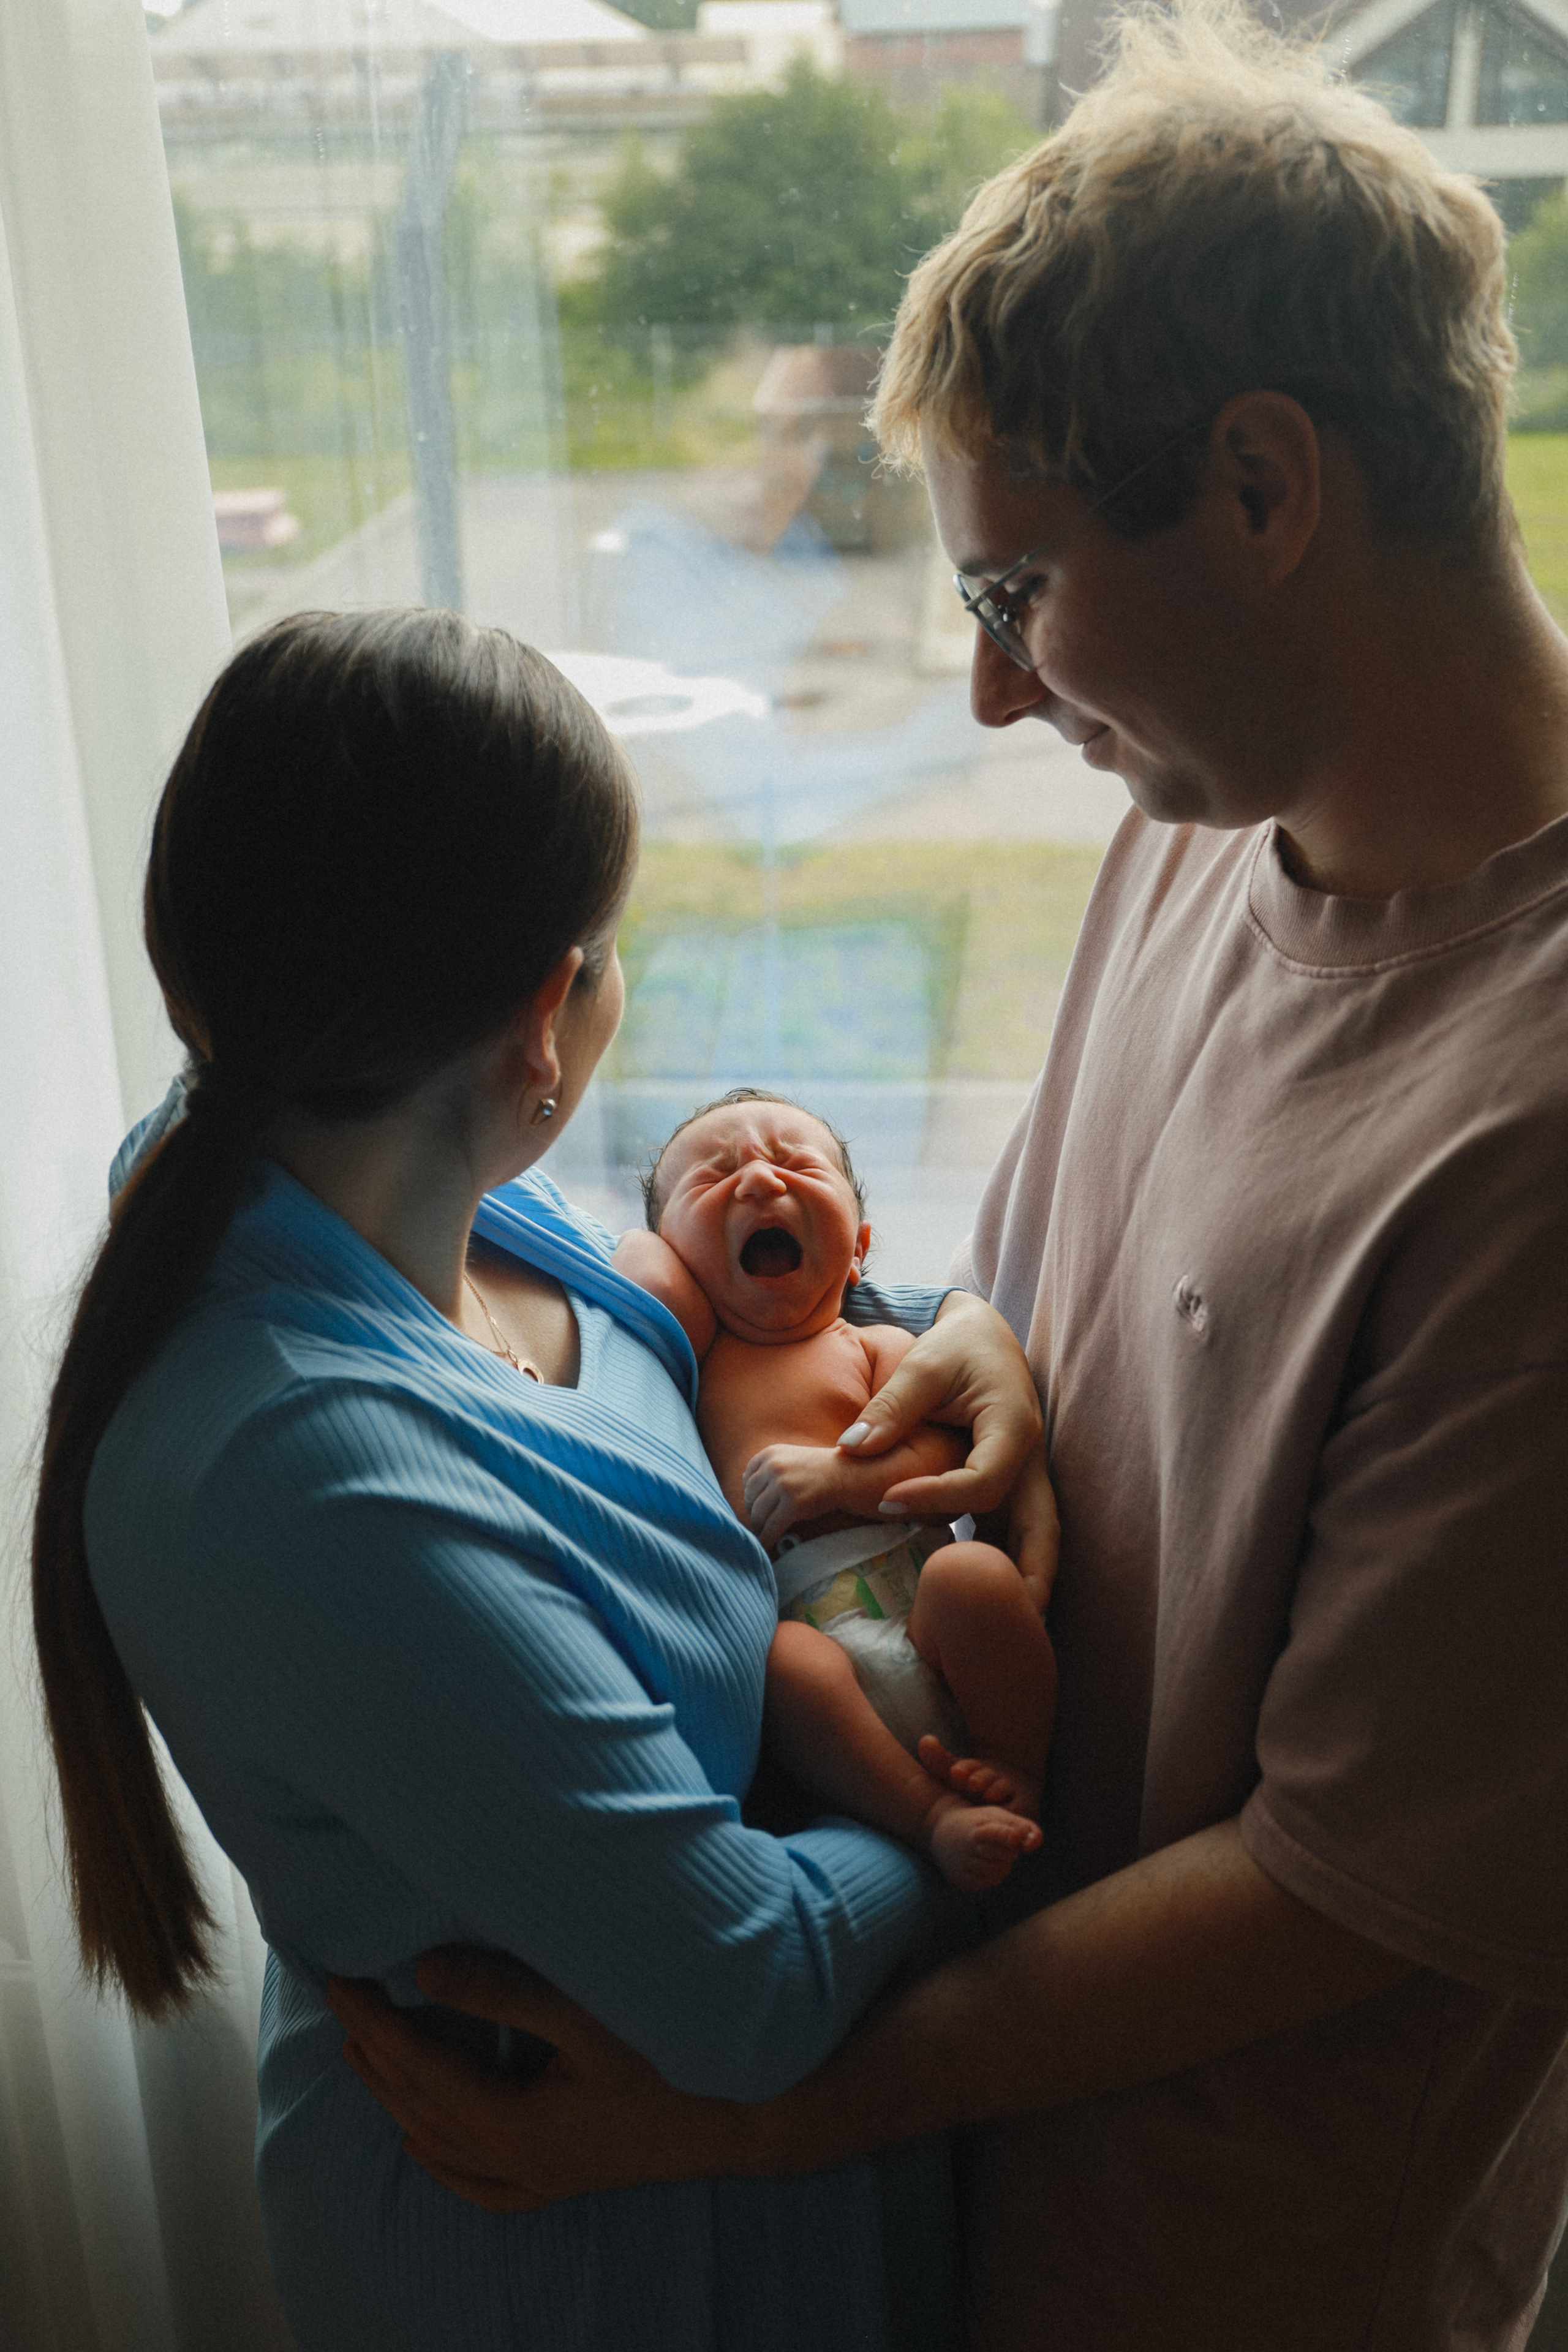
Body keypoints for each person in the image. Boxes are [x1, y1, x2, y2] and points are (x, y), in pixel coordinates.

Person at [327, 6, 1568, 2346]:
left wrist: (727, 2112)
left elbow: (1339, 1885)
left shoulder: (1538, 1130)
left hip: (1244, 2264)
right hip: (964, 2154)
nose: (997, 698)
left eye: (1013, 593)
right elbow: (1122, 1288)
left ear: (1266, 490)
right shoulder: (1213, 820)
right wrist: (983, 1339)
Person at [29, 606, 1057, 2352]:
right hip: (579, 2256)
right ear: (539, 1024)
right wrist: (980, 1808)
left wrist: (968, 1329)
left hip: (741, 2184)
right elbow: (746, 1987)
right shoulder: (313, 1485)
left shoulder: (420, 1200)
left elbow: (744, 1310)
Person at [613, 1088, 1056, 1892]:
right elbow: (634, 1270)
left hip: (919, 1597)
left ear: (858, 1249)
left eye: (794, 1162)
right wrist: (656, 1256)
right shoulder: (689, 1369)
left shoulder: (873, 1344)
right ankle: (929, 1814)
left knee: (977, 1577)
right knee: (785, 1665)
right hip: (816, 1643)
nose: (755, 1181)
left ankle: (1012, 1758)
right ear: (673, 1259)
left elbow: (947, 1455)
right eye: (712, 1178)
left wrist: (845, 1478)